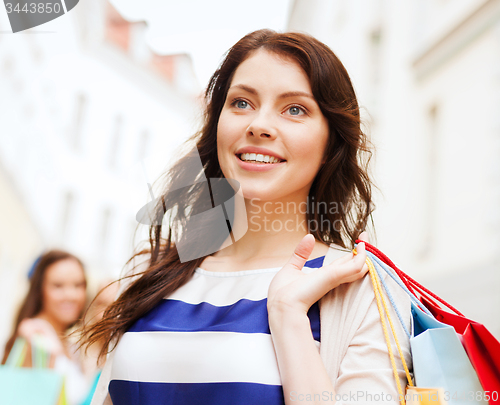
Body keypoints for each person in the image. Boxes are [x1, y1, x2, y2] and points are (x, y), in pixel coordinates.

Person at [83, 29, 412, 405]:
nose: (258, 125)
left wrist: (288, 317)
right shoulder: (155, 274)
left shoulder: (359, 290)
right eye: (241, 103)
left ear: (330, 144)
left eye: (295, 109)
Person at [2, 249, 92, 405]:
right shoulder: (35, 337)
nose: (70, 295)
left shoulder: (71, 345)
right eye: (58, 286)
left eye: (78, 285)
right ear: (40, 291)